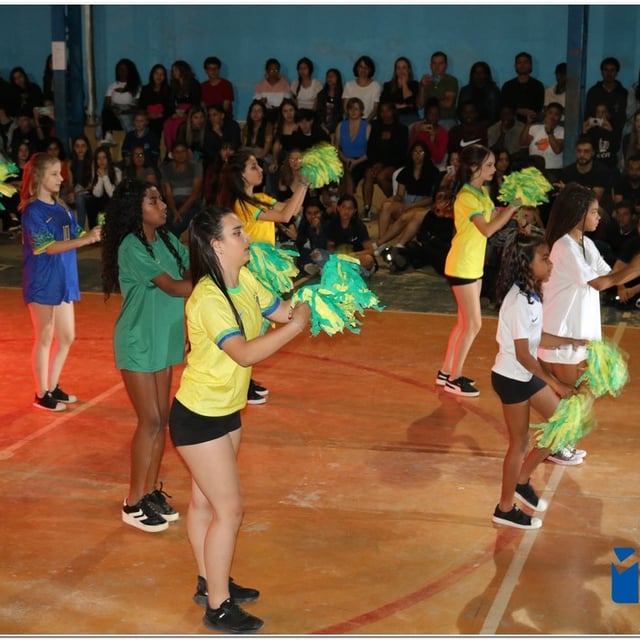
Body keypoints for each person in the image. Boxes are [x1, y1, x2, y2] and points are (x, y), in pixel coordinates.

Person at [168, 206, 310, 634]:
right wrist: (295, 328)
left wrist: (317, 298)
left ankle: (208, 580)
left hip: (227, 409)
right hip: (199, 417)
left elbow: (282, 312)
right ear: (216, 245)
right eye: (236, 233)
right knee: (229, 510)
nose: (246, 238)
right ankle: (218, 606)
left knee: (204, 504)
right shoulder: (207, 298)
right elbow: (245, 353)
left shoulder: (243, 278)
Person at [101, 180, 192, 532]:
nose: (163, 205)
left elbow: (188, 265)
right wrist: (212, 276)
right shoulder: (130, 246)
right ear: (135, 210)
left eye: (160, 199)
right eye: (153, 201)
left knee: (162, 420)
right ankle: (133, 500)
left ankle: (152, 491)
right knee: (150, 420)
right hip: (138, 340)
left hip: (165, 339)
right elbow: (174, 285)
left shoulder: (168, 240)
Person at [538, 183, 640, 464]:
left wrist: (631, 270)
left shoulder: (585, 243)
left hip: (578, 334)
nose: (600, 217)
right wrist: (636, 265)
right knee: (576, 394)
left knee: (583, 391)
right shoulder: (564, 248)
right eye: (594, 211)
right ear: (577, 214)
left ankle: (560, 442)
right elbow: (600, 283)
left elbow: (611, 276)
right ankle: (557, 445)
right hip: (563, 335)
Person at [491, 229, 582, 529]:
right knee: (519, 443)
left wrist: (569, 341)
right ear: (526, 264)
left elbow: (537, 337)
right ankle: (504, 509)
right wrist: (556, 383)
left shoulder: (531, 295)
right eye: (544, 259)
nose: (550, 264)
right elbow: (523, 354)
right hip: (512, 377)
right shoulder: (518, 301)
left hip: (522, 375)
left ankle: (522, 479)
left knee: (562, 423)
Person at [20, 152, 101, 411]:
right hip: (42, 281)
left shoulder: (62, 209)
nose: (61, 178)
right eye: (54, 173)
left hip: (64, 279)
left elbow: (76, 234)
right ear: (39, 177)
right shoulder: (32, 211)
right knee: (44, 336)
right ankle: (40, 393)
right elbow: (49, 247)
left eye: (60, 172)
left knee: (66, 336)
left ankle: (52, 387)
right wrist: (85, 240)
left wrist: (96, 233)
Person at [437, 144, 520, 397]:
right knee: (473, 324)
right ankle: (455, 378)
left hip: (472, 265)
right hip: (462, 266)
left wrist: (512, 210)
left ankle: (445, 372)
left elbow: (493, 214)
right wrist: (513, 208)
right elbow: (487, 229)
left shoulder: (481, 192)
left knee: (464, 323)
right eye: (489, 165)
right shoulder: (466, 197)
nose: (494, 169)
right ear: (474, 167)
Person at [375, 140, 440, 243]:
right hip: (406, 201)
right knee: (387, 206)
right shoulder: (405, 171)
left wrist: (411, 206)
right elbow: (400, 195)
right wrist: (390, 200)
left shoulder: (433, 172)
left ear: (426, 154)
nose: (417, 155)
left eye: (421, 152)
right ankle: (382, 238)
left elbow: (432, 198)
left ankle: (381, 242)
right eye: (415, 152)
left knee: (405, 216)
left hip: (422, 205)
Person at [361, 101, 408, 220]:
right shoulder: (375, 126)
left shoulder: (401, 129)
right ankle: (367, 209)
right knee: (369, 174)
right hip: (376, 162)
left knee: (381, 177)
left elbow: (401, 152)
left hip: (395, 163)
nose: (385, 114)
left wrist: (382, 164)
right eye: (382, 111)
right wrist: (375, 163)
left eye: (387, 110)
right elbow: (370, 148)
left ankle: (394, 202)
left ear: (393, 111)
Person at [322, 193, 377, 277]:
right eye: (343, 207)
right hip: (339, 257)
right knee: (319, 254)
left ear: (354, 211)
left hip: (355, 257)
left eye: (350, 208)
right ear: (338, 208)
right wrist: (339, 254)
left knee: (368, 260)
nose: (346, 211)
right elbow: (329, 247)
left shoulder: (359, 226)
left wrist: (353, 254)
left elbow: (370, 250)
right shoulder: (332, 224)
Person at [160, 141, 203, 239]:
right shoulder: (166, 169)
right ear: (172, 154)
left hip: (191, 204)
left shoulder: (196, 166)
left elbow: (195, 194)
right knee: (163, 222)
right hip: (173, 205)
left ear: (187, 152)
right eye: (177, 152)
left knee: (176, 225)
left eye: (183, 151)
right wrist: (175, 212)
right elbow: (168, 194)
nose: (180, 155)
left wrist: (180, 212)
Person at [585, 57, 627, 152]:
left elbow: (622, 118)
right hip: (595, 135)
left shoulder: (623, 93)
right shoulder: (593, 92)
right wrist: (600, 123)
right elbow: (588, 115)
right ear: (601, 72)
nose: (609, 73)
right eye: (606, 70)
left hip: (615, 136)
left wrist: (610, 125)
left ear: (617, 72)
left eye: (612, 70)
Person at [334, 97, 370, 199]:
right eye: (351, 108)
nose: (353, 111)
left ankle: (347, 202)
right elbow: (336, 148)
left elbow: (371, 150)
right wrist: (346, 159)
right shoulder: (341, 126)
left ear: (361, 111)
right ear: (347, 110)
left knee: (350, 173)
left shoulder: (367, 126)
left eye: (356, 109)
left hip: (362, 160)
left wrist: (355, 162)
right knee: (345, 171)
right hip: (344, 158)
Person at [520, 102, 565, 182]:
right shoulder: (535, 128)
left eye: (556, 114)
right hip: (533, 170)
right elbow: (523, 143)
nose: (552, 117)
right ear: (545, 114)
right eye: (550, 113)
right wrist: (528, 123)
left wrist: (550, 133)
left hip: (552, 171)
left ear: (560, 117)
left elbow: (557, 150)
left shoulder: (562, 131)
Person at [99, 58, 142, 142]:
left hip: (127, 117)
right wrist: (114, 109)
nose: (122, 72)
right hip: (114, 118)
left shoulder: (136, 87)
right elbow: (106, 104)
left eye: (124, 70)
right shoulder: (112, 86)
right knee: (105, 112)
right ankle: (108, 136)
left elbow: (137, 107)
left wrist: (123, 111)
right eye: (119, 69)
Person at [500, 52, 545, 125]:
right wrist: (518, 110)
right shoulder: (508, 86)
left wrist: (529, 114)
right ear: (515, 66)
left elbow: (538, 107)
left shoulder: (538, 86)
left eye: (525, 62)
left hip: (531, 122)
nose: (522, 65)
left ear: (531, 66)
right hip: (511, 123)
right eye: (519, 62)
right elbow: (503, 105)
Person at [418, 51, 459, 130]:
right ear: (430, 65)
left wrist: (429, 102)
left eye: (440, 63)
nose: (437, 67)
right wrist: (422, 86)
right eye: (434, 63)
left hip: (446, 119)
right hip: (427, 120)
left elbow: (448, 103)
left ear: (446, 65)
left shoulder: (451, 80)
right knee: (411, 128)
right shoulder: (425, 81)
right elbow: (420, 105)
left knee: (444, 129)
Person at [456, 61, 501, 127]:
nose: (478, 75)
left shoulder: (494, 91)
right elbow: (460, 112)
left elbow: (495, 115)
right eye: (475, 73)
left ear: (486, 74)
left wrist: (479, 125)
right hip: (467, 125)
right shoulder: (465, 90)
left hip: (489, 126)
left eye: (482, 72)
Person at [381, 56, 421, 127]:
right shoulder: (387, 85)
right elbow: (385, 104)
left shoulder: (414, 85)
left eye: (404, 67)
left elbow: (410, 102)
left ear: (409, 70)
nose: (401, 71)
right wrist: (405, 105)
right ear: (395, 71)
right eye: (398, 68)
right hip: (392, 118)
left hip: (410, 117)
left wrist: (404, 84)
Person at [409, 99, 449, 169]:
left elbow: (438, 160)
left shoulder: (443, 133)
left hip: (431, 165)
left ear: (439, 116)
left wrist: (432, 141)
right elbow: (410, 152)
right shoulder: (417, 128)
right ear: (425, 114)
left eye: (436, 114)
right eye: (430, 114)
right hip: (416, 163)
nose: (433, 117)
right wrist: (416, 134)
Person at [342, 55, 381, 122]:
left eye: (366, 67)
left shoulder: (376, 85)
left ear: (370, 69)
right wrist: (352, 121)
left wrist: (364, 124)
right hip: (351, 120)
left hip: (369, 121)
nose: (363, 70)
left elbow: (375, 109)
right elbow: (346, 107)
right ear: (357, 68)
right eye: (361, 66)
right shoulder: (349, 85)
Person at [138, 64, 173, 141]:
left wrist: (160, 114)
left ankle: (154, 149)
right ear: (152, 75)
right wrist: (148, 115)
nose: (159, 76)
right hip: (147, 116)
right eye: (156, 73)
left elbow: (170, 108)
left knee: (156, 125)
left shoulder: (168, 90)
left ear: (165, 77)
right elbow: (141, 107)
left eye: (162, 74)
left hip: (162, 117)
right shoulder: (145, 89)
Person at [253, 58, 291, 123]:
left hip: (280, 114)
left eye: (276, 70)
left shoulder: (284, 83)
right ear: (267, 70)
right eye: (271, 70)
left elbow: (288, 101)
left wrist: (278, 108)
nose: (274, 72)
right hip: (265, 115)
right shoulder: (260, 85)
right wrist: (261, 102)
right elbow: (256, 103)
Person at [315, 68, 344, 137]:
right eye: (328, 76)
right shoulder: (321, 94)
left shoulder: (342, 94)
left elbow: (340, 113)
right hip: (322, 124)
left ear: (338, 78)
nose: (329, 78)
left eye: (332, 76)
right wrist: (323, 125)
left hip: (336, 124)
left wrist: (330, 127)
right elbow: (319, 111)